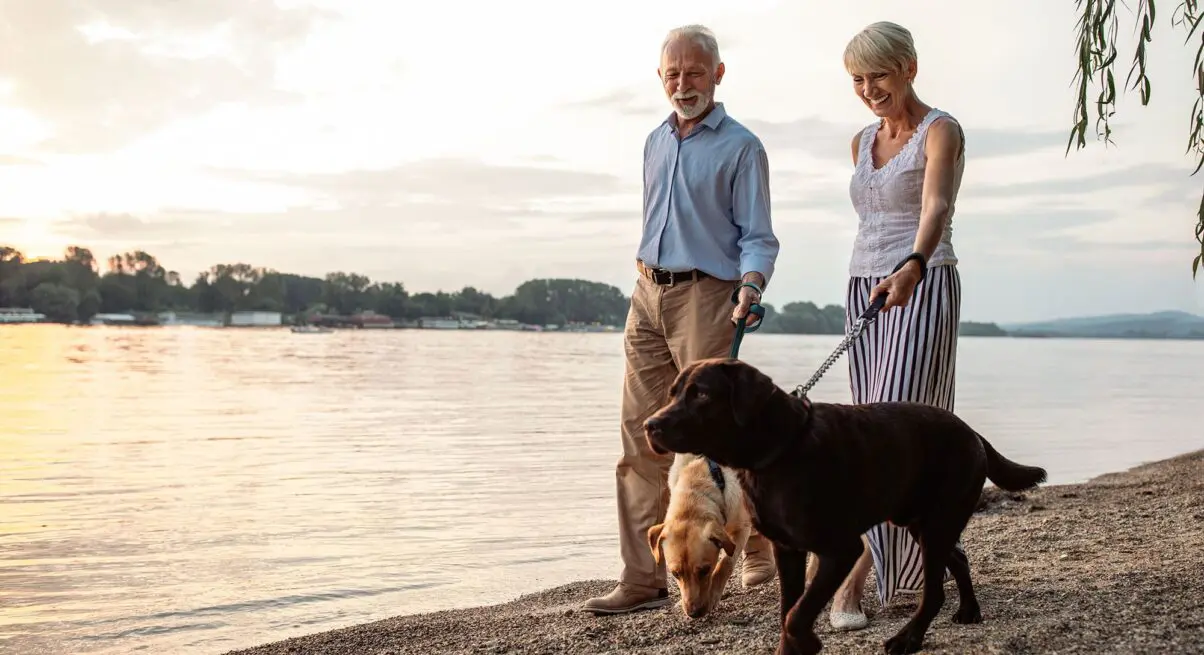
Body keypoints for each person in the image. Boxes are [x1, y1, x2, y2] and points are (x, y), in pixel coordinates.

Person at [582, 24, 782, 615]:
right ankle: (643, 579)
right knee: (639, 439)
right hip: (646, 292)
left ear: (718, 75)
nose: (682, 83)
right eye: (672, 73)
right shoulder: (654, 142)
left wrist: (750, 286)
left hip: (707, 295)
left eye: (694, 72)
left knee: (722, 441)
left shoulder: (742, 147)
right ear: (660, 77)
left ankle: (757, 547)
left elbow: (759, 237)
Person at [826, 21, 968, 631]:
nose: (868, 89)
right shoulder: (860, 140)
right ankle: (911, 574)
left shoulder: (942, 130)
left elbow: (936, 205)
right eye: (858, 79)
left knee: (897, 426)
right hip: (863, 286)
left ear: (909, 66)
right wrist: (878, 276)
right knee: (867, 431)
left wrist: (912, 263)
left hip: (923, 280)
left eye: (878, 75)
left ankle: (849, 580)